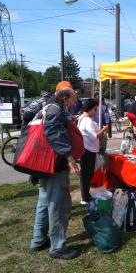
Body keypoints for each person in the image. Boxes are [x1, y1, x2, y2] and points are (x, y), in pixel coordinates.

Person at [29, 87, 81, 260]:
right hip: (54, 165)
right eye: (73, 99)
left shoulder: (49, 107)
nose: (75, 102)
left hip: (44, 164)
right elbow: (53, 133)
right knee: (58, 206)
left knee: (44, 202)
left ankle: (38, 241)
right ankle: (57, 247)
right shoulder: (55, 109)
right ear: (65, 98)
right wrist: (70, 157)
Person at [77, 99, 109, 205]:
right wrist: (104, 129)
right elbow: (95, 136)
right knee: (86, 175)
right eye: (95, 109)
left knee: (86, 174)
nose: (95, 112)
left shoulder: (82, 118)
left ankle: (85, 195)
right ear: (90, 109)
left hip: (87, 149)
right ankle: (85, 198)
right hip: (88, 150)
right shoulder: (87, 121)